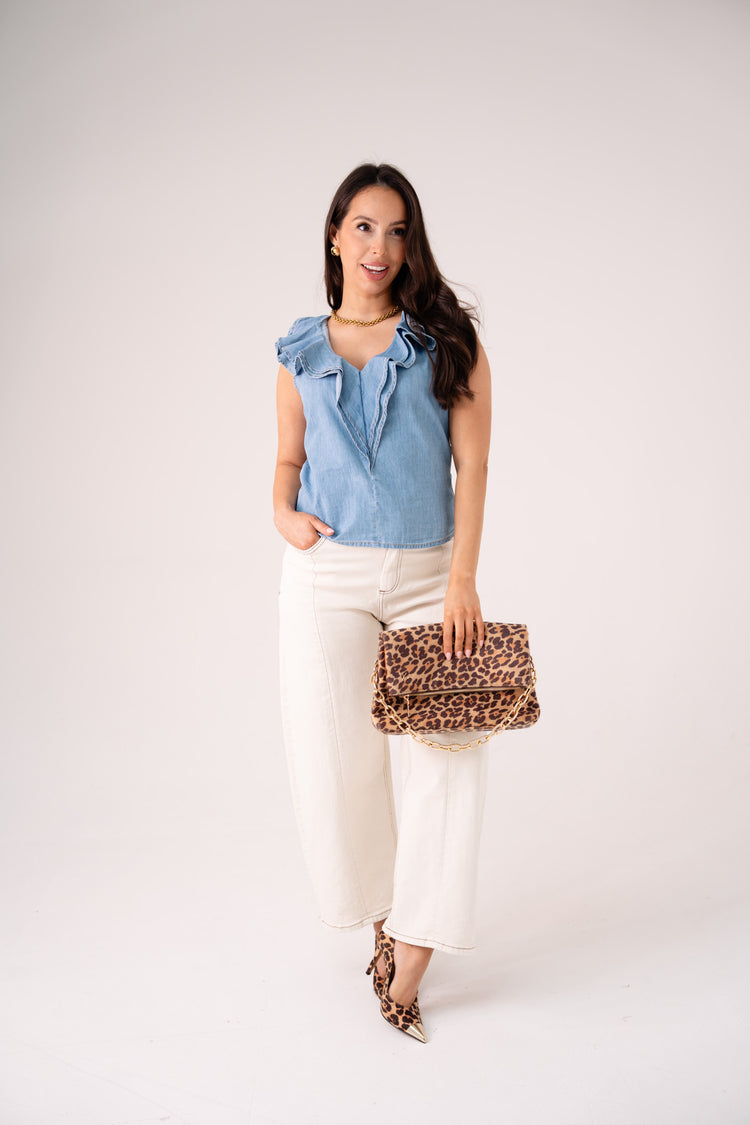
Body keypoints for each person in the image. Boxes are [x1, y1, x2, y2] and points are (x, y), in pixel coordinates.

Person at [273, 163, 491, 1043]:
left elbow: (473, 464)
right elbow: (287, 459)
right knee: (338, 760)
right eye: (364, 227)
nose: (380, 246)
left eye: (398, 230)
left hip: (431, 575)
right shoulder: (300, 349)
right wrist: (282, 512)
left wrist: (463, 578)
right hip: (326, 575)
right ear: (335, 236)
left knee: (448, 756)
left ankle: (413, 948)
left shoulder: (446, 340)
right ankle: (380, 916)